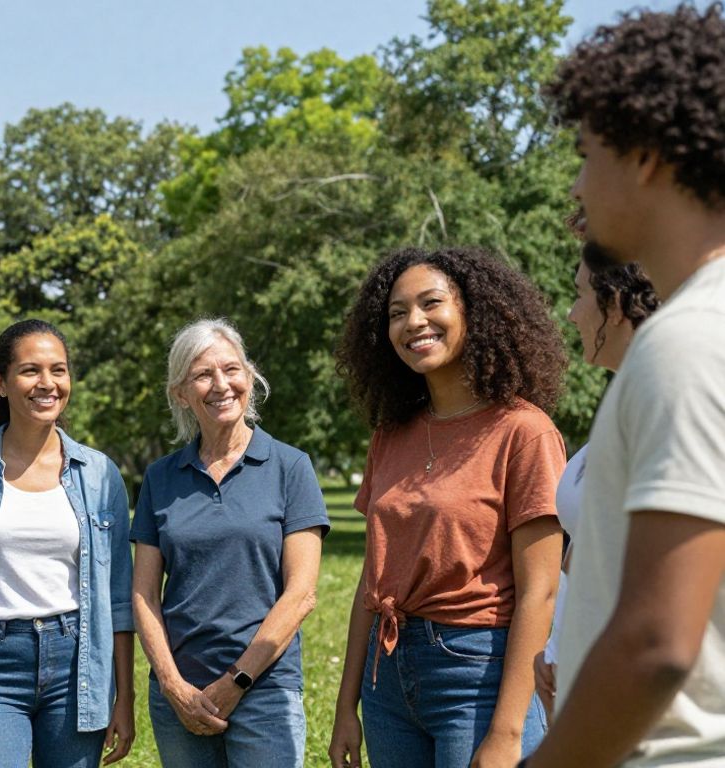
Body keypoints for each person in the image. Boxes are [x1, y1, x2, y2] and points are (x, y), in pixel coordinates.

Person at [525, 6, 725, 765]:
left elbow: (655, 643)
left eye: (586, 152)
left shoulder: (689, 340)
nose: (577, 181)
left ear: (644, 157)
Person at [329, 247, 568, 768]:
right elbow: (372, 581)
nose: (413, 322)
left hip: (477, 674)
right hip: (387, 680)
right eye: (396, 313)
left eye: (431, 303)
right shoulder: (389, 436)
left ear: (473, 312)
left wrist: (506, 733)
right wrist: (346, 705)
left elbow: (540, 591)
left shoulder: (523, 432)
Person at [0, 319, 135, 768]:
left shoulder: (100, 475)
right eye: (29, 371)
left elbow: (119, 601)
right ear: (1, 382)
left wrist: (124, 696)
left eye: (58, 370)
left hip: (77, 665)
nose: (47, 384)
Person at [130, 318, 329, 768]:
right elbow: (143, 594)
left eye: (231, 369)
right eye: (203, 375)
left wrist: (236, 681)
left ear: (249, 375)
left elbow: (301, 595)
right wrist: (172, 685)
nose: (221, 384)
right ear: (181, 393)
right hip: (182, 694)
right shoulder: (161, 478)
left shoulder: (290, 467)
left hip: (265, 690)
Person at [533, 253, 658, 717]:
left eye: (580, 293)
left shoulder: (663, 406)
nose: (570, 312)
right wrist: (555, 648)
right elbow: (581, 557)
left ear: (618, 304)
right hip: (577, 671)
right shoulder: (621, 405)